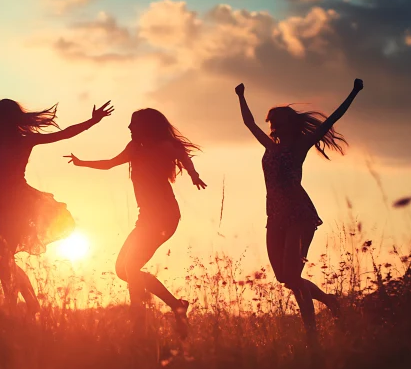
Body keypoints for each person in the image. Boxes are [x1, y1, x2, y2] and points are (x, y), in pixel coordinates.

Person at [234, 79, 363, 343]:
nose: (272, 128)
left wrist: (354, 92)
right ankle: (330, 301)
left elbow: (332, 119)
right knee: (285, 278)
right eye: (271, 123)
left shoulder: (299, 146)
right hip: (275, 216)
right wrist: (241, 96)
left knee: (294, 276)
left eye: (277, 123)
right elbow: (249, 123)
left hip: (299, 215)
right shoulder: (271, 147)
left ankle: (311, 335)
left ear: (289, 124)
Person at [65, 108, 206, 337]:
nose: (129, 128)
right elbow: (110, 163)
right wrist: (81, 163)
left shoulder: (164, 147)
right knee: (123, 270)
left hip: (165, 216)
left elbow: (183, 156)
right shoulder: (134, 149)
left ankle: (138, 321)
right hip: (146, 218)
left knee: (131, 267)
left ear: (147, 127)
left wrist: (193, 174)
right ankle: (176, 305)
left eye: (134, 124)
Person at [0, 93, 113, 313]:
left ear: (6, 120)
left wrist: (92, 121)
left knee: (4, 253)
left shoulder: (25, 140)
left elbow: (63, 134)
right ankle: (30, 301)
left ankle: (13, 303)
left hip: (18, 203)